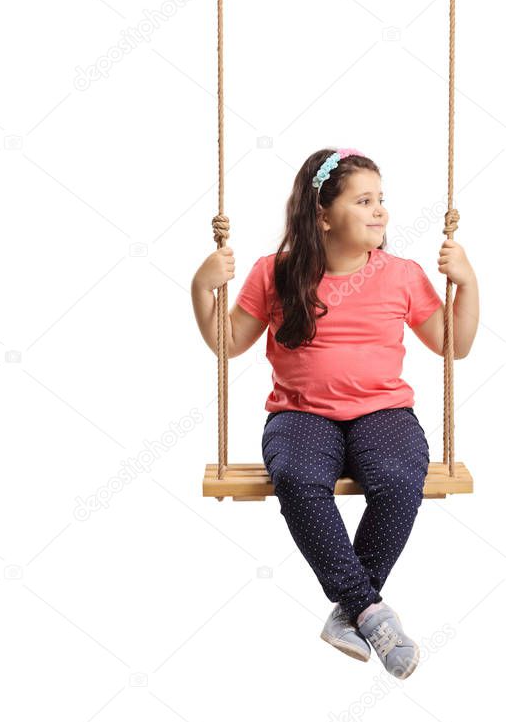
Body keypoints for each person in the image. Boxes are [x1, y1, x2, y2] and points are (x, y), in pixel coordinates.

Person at [191, 148, 479, 679]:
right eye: (364, 201)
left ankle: (350, 612)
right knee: (298, 476)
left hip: (383, 413)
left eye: (381, 200)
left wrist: (467, 282)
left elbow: (452, 345)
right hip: (300, 415)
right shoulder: (273, 273)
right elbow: (228, 343)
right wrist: (202, 288)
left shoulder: (402, 275)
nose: (380, 212)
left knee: (398, 479)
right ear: (323, 215)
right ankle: (370, 611)